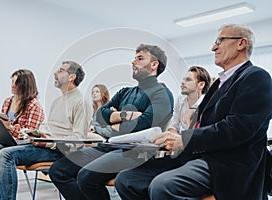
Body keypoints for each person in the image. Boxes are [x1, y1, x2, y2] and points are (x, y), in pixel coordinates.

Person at [115, 24, 272, 200]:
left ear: (241, 43)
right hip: (197, 155)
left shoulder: (257, 77)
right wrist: (174, 140)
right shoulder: (219, 83)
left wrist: (185, 139)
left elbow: (239, 128)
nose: (214, 47)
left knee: (163, 186)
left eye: (219, 41)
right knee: (126, 179)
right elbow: (202, 124)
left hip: (226, 163)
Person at [49, 44, 174, 200]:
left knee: (86, 177)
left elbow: (145, 124)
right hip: (110, 145)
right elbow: (99, 116)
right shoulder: (125, 92)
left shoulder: (162, 94)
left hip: (136, 151)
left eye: (140, 58)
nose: (133, 62)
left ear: (154, 64)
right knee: (58, 170)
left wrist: (113, 120)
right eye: (134, 58)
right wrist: (124, 115)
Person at [0, 61, 90, 200]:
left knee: (5, 155)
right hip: (40, 143)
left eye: (60, 70)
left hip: (56, 151)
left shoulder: (80, 102)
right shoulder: (57, 101)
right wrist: (35, 134)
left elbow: (77, 141)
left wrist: (47, 142)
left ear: (71, 77)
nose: (55, 73)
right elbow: (48, 128)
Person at [0, 69, 45, 197]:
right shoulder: (8, 101)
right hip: (6, 141)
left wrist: (10, 128)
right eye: (12, 82)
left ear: (25, 85)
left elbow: (30, 136)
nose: (12, 85)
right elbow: (5, 127)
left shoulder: (34, 106)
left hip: (21, 145)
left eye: (16, 83)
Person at [167, 66, 211, 132]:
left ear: (201, 85)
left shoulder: (207, 104)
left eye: (188, 80)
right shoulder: (180, 99)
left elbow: (201, 135)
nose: (182, 82)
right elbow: (173, 126)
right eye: (183, 79)